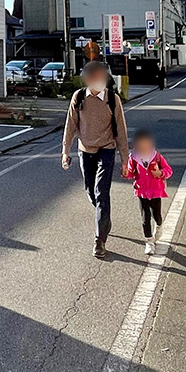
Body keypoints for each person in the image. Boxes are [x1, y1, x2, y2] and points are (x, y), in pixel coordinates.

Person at [62, 61, 129, 259]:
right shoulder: (79, 97)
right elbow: (70, 126)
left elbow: (122, 132)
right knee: (90, 191)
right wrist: (65, 151)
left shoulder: (112, 100)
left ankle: (100, 240)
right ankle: (105, 218)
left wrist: (125, 160)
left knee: (102, 193)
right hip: (85, 151)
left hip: (107, 150)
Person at [125, 128, 173, 256]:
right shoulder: (134, 158)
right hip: (141, 191)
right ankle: (149, 242)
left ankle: (159, 225)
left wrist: (160, 173)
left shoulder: (156, 157)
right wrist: (126, 171)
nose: (144, 146)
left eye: (146, 143)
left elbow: (169, 171)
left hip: (156, 191)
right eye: (141, 144)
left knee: (156, 215)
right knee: (145, 217)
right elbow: (130, 174)